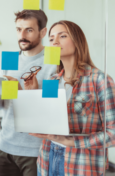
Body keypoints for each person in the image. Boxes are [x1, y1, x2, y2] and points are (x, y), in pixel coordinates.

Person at [30, 20, 115, 176]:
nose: (54, 41)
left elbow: (112, 133)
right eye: (51, 38)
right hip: (47, 158)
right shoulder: (52, 80)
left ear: (77, 41)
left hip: (80, 163)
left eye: (62, 36)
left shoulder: (100, 80)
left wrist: (69, 141)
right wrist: (32, 93)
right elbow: (46, 122)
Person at [0, 10, 56, 176]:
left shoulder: (53, 62)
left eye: (29, 30)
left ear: (43, 32)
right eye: (18, 29)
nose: (22, 35)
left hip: (35, 151)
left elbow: (52, 109)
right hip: (5, 146)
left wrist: (23, 93)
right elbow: (3, 104)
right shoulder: (9, 59)